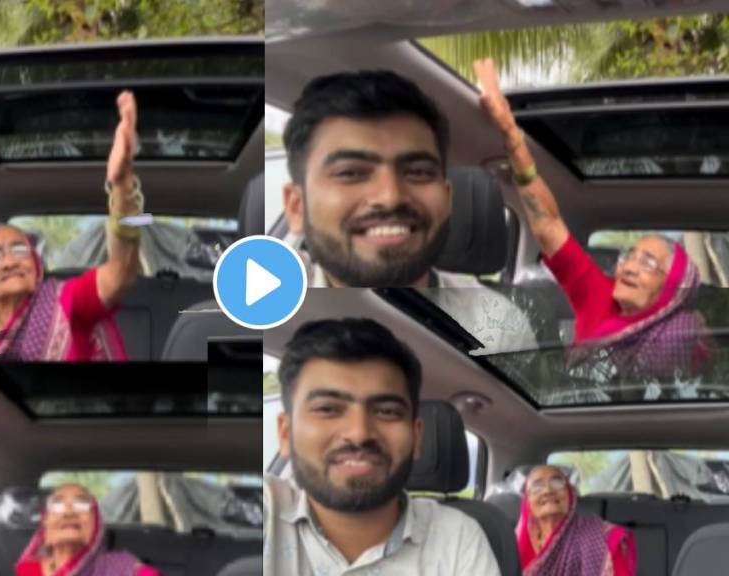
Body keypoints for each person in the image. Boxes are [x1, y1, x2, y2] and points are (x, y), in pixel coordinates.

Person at [475, 59, 711, 393]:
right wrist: (510, 133)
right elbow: (547, 223)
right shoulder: (599, 297)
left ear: (670, 293)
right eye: (632, 254)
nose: (629, 264)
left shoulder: (675, 336)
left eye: (648, 263)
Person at [281, 70, 537, 354]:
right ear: (296, 206)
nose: (390, 197)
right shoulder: (274, 325)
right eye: (351, 172)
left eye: (418, 172)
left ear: (448, 198)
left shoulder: (497, 324)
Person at [264, 318, 501, 575]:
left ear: (416, 436)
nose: (359, 434)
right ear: (285, 434)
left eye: (387, 411)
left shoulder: (458, 538)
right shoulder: (258, 510)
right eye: (327, 409)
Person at [0, 91, 140, 361]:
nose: (10, 261)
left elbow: (121, 272)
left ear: (36, 269)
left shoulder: (64, 300)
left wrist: (122, 187)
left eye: (19, 250)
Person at [14, 483, 160, 576]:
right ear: (45, 524)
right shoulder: (30, 570)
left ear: (96, 525)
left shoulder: (124, 568)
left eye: (81, 503)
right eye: (57, 503)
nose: (69, 512)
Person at [517, 465, 636, 576]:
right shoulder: (515, 543)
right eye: (537, 486)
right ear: (527, 501)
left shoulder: (603, 538)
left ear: (570, 493)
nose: (548, 490)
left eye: (557, 482)